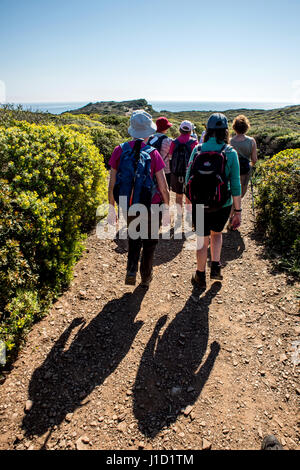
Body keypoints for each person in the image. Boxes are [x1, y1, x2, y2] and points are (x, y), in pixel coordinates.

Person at [108, 110, 170, 288]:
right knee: (150, 242)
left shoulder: (119, 150)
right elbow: (163, 186)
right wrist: (167, 209)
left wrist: (111, 208)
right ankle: (146, 276)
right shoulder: (153, 153)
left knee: (134, 236)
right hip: (152, 206)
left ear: (132, 130)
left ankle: (131, 270)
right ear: (148, 131)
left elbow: (112, 183)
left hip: (129, 204)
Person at [185, 113, 242, 288]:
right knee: (216, 235)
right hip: (222, 204)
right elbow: (236, 184)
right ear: (225, 131)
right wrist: (237, 211)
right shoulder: (230, 152)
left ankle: (200, 275)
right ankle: (216, 267)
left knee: (202, 239)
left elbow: (189, 178)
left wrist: (188, 204)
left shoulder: (198, 149)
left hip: (200, 203)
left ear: (208, 130)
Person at [169, 120, 198, 210]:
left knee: (178, 195)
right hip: (190, 173)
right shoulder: (194, 142)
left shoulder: (174, 142)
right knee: (189, 195)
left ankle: (179, 215)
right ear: (190, 131)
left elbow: (170, 157)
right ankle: (189, 216)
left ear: (180, 130)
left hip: (176, 173)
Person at [148, 116, 173, 188]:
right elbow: (171, 155)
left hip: (151, 168)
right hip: (165, 170)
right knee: (164, 189)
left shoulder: (150, 138)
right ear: (165, 128)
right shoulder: (168, 141)